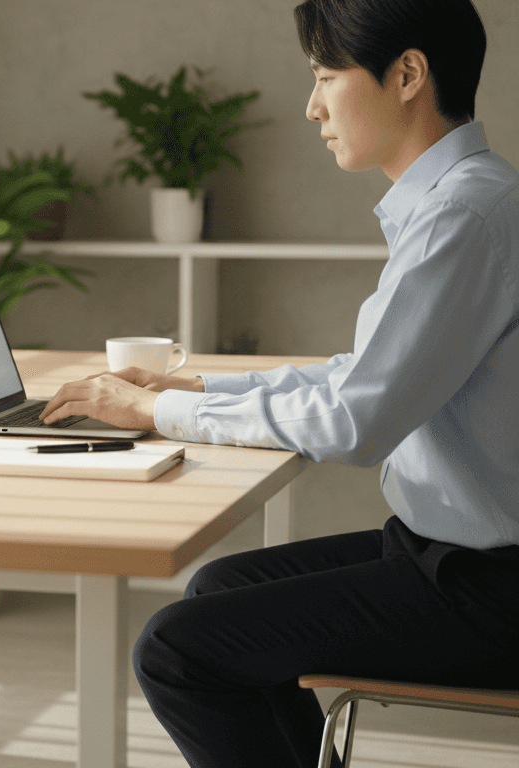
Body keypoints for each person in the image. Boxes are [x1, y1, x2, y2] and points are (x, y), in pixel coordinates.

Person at [37, 1, 519, 766]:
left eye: (326, 76)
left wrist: (158, 410)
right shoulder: (464, 202)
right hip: (441, 552)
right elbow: (361, 377)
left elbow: (356, 420)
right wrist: (188, 393)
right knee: (215, 592)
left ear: (408, 74)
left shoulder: (465, 216)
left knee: (176, 650)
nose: (312, 106)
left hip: (489, 590)